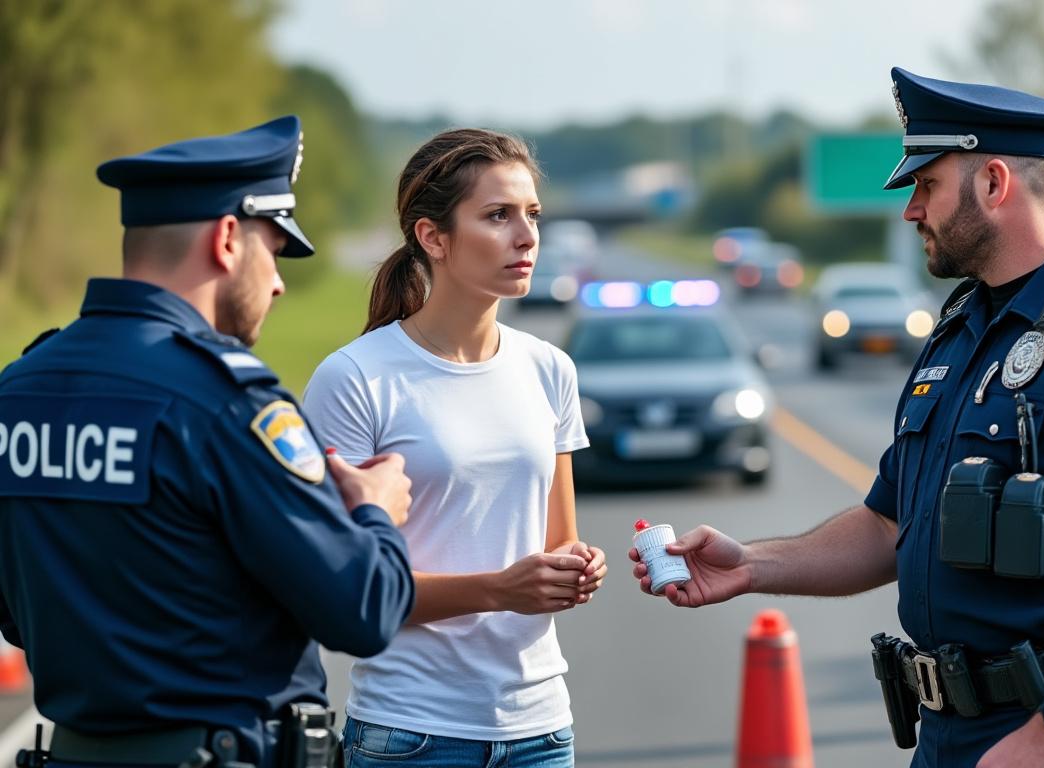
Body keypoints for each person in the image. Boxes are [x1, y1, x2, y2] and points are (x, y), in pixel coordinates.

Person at [630, 68, 1044, 768]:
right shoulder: (959, 333)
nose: (911, 211)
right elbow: (890, 524)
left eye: (926, 186)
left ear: (995, 183)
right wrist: (750, 565)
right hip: (950, 737)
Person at [0, 116, 417, 768]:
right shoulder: (226, 404)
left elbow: (19, 616)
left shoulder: (19, 390)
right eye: (274, 250)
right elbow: (364, 612)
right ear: (228, 240)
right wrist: (376, 510)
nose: (278, 281)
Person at [302, 128, 605, 768]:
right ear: (432, 237)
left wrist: (575, 570)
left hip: (542, 731)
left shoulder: (551, 369)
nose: (526, 237)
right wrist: (497, 589)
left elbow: (558, 543)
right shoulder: (355, 378)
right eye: (497, 216)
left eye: (532, 215)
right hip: (410, 734)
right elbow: (345, 590)